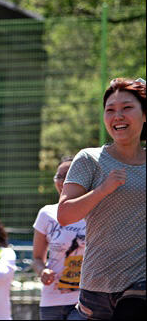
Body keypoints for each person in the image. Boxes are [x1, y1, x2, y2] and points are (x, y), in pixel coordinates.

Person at [58, 78, 146, 320]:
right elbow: (64, 215)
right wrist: (102, 190)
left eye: (127, 108)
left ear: (144, 114)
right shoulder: (89, 159)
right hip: (97, 283)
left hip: (140, 279)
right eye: (110, 110)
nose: (117, 115)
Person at [32, 156, 86, 320]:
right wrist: (43, 271)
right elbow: (36, 258)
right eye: (59, 176)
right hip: (51, 300)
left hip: (84, 300)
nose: (62, 181)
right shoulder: (46, 213)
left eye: (69, 175)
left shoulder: (94, 212)